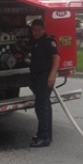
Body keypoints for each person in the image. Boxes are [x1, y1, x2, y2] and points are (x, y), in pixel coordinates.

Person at [22, 19, 60, 148]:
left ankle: (44, 138)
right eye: (34, 30)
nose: (36, 32)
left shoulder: (48, 42)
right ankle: (43, 135)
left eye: (39, 29)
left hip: (44, 78)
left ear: (43, 29)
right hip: (37, 78)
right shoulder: (36, 41)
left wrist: (52, 76)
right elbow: (28, 48)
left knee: (42, 107)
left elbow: (56, 58)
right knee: (43, 106)